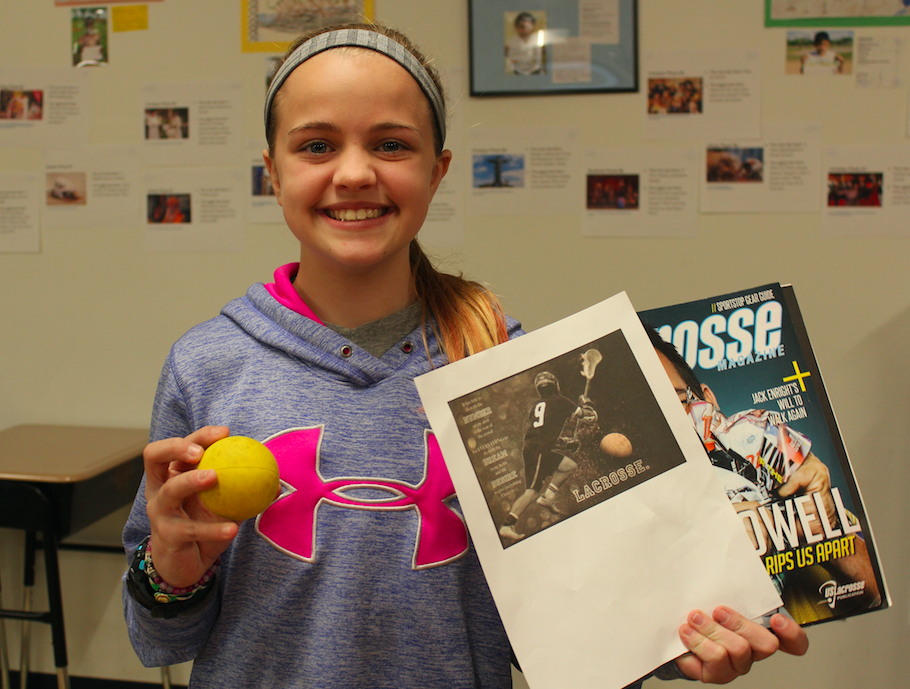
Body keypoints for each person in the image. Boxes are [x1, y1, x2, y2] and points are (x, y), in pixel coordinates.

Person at [122, 22, 808, 688]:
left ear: (436, 170)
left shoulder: (509, 367)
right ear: (272, 171)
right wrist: (173, 571)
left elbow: (561, 620)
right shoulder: (206, 366)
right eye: (318, 145)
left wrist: (681, 640)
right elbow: (159, 639)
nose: (354, 172)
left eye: (391, 144)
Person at [647, 327, 881, 620]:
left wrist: (818, 527)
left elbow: (878, 591)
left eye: (675, 403)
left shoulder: (779, 478)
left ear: (708, 399)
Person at [499, 371, 592, 541]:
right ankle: (507, 525)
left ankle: (548, 497)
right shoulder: (560, 401)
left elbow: (541, 434)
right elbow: (589, 416)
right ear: (554, 385)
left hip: (535, 449)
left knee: (568, 466)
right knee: (531, 492)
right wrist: (586, 404)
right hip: (538, 451)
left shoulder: (535, 406)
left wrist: (563, 443)